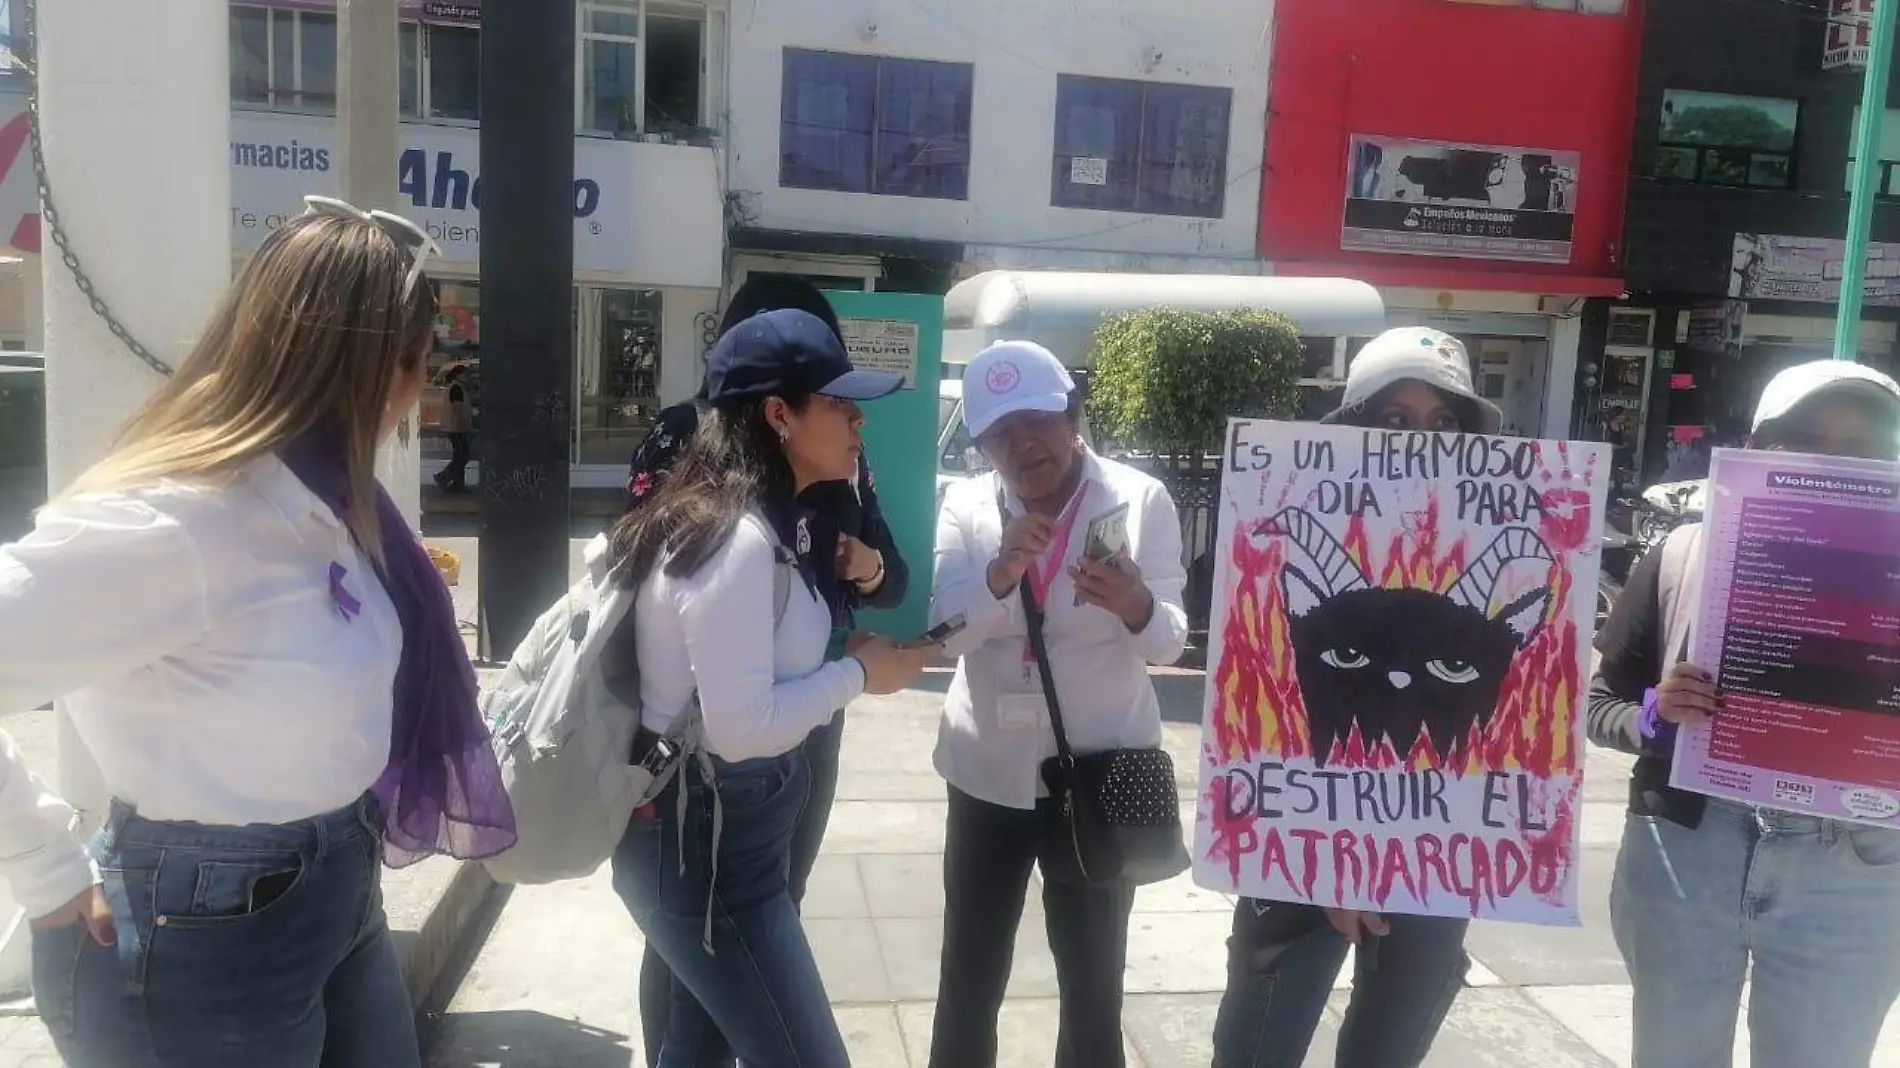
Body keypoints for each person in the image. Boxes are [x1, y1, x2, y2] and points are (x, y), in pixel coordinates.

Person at [1, 196, 513, 1068]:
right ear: (373, 372)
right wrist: (44, 867)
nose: (418, 399)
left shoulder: (328, 507)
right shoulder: (179, 526)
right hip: (200, 932)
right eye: (421, 367)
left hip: (334, 891)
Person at [607, 308, 934, 1068]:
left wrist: (841, 654)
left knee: (696, 1053)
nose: (858, 420)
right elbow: (740, 727)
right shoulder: (735, 538)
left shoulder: (769, 522)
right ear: (778, 414)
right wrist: (856, 674)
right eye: (838, 402)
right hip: (706, 848)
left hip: (728, 837)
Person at [1208, 327, 1503, 1068]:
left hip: (1437, 856)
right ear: (1351, 428)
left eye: (1443, 422)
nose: (1419, 440)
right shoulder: (1279, 517)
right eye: (1394, 419)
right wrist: (1339, 855)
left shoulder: (1501, 529)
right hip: (1302, 843)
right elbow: (1254, 687)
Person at [1591, 360, 1900, 1068]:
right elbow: (1596, 703)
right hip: (1689, 849)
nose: (1834, 460)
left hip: (1856, 864)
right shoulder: (1677, 553)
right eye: (1806, 436)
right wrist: (1654, 715)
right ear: (1757, 448)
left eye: (1864, 445)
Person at [927, 340, 1188, 1068]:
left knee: (1093, 981)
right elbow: (947, 635)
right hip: (988, 773)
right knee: (971, 972)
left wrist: (1135, 603)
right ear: (981, 447)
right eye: (1000, 433)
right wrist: (1002, 572)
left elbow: (1169, 642)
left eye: (1037, 420)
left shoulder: (1139, 499)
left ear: (1074, 419)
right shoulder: (967, 505)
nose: (1023, 444)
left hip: (1100, 774)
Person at [434, 362, 474, 493]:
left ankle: (457, 484)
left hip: (454, 427)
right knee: (462, 456)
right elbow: (458, 409)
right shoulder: (456, 389)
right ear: (457, 375)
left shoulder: (455, 387)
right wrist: (465, 426)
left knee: (460, 456)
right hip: (456, 428)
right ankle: (443, 477)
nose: (467, 376)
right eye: (464, 374)